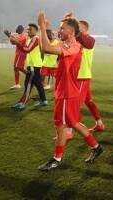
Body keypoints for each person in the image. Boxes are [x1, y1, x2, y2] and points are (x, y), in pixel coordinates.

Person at [37, 11, 103, 171]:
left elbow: (46, 46)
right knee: (73, 123)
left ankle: (56, 159)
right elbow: (44, 49)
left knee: (60, 125)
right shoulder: (65, 45)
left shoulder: (73, 46)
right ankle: (96, 147)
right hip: (66, 92)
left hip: (66, 93)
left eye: (62, 29)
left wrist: (42, 26)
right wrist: (42, 29)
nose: (59, 31)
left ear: (72, 32)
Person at [10, 23, 47, 110]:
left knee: (28, 84)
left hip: (34, 66)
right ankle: (44, 100)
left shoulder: (35, 38)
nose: (28, 31)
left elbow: (27, 49)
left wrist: (17, 43)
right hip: (34, 65)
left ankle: (22, 103)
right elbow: (23, 46)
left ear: (35, 31)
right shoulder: (30, 39)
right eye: (28, 29)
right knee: (38, 84)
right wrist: (14, 40)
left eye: (30, 29)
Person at [5, 25, 27, 89]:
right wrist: (10, 35)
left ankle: (32, 78)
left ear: (20, 29)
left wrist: (9, 36)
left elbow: (14, 42)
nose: (16, 29)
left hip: (21, 54)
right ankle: (17, 84)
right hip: (19, 54)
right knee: (17, 68)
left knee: (18, 68)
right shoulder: (20, 35)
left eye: (17, 28)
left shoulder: (22, 36)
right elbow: (14, 40)